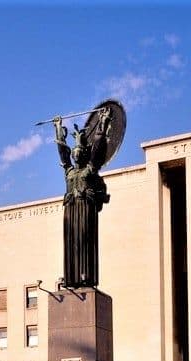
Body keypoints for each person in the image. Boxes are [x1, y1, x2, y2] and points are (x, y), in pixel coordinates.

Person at [54, 107, 113, 288]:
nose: (76, 154)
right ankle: (71, 278)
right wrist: (58, 129)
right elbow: (63, 154)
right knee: (72, 243)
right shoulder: (69, 171)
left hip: (85, 209)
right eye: (74, 153)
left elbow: (98, 149)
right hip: (71, 211)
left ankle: (86, 276)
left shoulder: (90, 169)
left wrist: (102, 124)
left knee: (85, 242)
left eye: (79, 152)